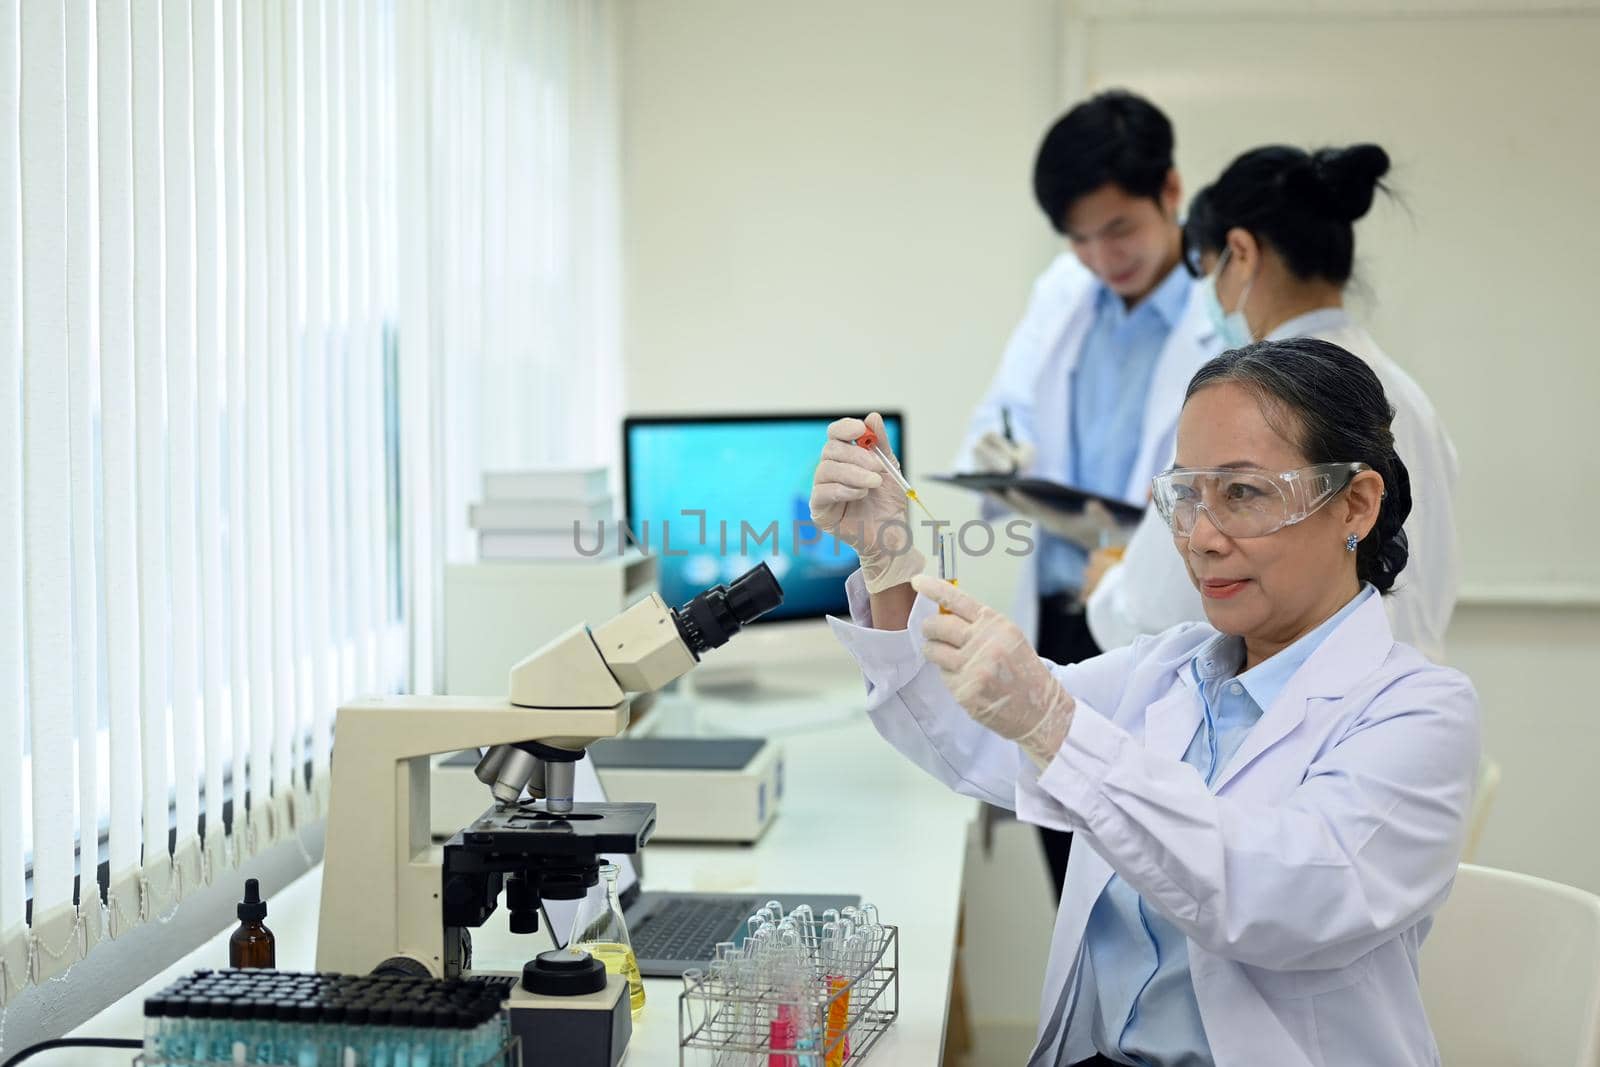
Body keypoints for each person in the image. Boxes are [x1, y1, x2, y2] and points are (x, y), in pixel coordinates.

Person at [809, 338, 1479, 1065]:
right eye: (1187, 494)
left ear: (1355, 502)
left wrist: (1056, 726)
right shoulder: (1170, 668)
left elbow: (1275, 897)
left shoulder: (1420, 712)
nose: (1200, 537)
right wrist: (888, 553)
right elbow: (972, 733)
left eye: (1245, 493)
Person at [955, 90, 1221, 898]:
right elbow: (1001, 414)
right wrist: (999, 454)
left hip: (1158, 620)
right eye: (1079, 238)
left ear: (1171, 192)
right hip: (1063, 621)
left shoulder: (1223, 315)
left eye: (1120, 229)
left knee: (1148, 879)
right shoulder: (1061, 295)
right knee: (1065, 864)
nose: (1102, 255)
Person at [1086, 144, 1460, 663]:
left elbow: (1151, 616)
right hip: (1397, 691)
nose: (1211, 302)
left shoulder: (1248, 402)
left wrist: (1108, 587)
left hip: (1298, 717)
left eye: (1210, 273)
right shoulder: (1411, 399)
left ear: (1240, 253)